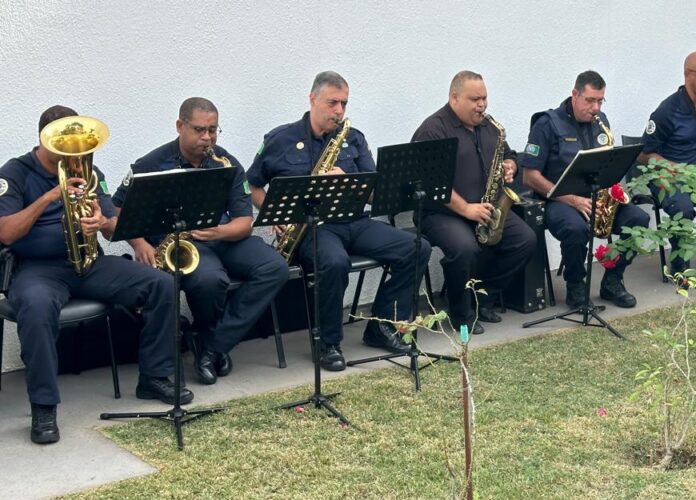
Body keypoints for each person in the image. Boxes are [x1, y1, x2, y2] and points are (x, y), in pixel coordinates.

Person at [0, 105, 185, 445]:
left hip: (89, 263)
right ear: (44, 141)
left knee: (161, 284)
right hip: (39, 269)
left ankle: (155, 376)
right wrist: (49, 197)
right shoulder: (15, 173)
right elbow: (7, 233)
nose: (74, 155)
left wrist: (102, 222)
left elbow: (116, 230)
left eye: (79, 146)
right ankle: (44, 406)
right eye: (64, 146)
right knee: (37, 309)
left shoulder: (89, 170)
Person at [248, 71, 431, 368]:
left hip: (354, 221)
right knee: (334, 262)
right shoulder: (280, 139)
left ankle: (382, 325)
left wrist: (350, 183)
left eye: (344, 104)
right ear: (312, 99)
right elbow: (252, 186)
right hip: (310, 227)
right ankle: (328, 343)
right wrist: (275, 214)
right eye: (333, 103)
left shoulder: (353, 138)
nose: (339, 111)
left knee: (418, 247)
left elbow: (375, 194)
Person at [113, 97, 289, 385]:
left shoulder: (226, 161)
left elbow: (245, 222)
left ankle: (212, 344)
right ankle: (213, 347)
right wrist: (138, 243)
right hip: (183, 245)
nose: (207, 138)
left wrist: (218, 232)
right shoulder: (151, 163)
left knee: (275, 268)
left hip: (223, 237)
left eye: (213, 130)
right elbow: (118, 211)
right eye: (199, 130)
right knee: (210, 280)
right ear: (180, 126)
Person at [410, 70, 535, 334]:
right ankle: (461, 312)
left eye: (484, 98)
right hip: (441, 213)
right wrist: (466, 209)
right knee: (466, 249)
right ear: (454, 98)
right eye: (475, 99)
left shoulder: (490, 126)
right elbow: (431, 180)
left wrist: (510, 165)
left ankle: (482, 296)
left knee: (525, 240)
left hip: (485, 207)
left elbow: (509, 154)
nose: (482, 105)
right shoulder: (433, 129)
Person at [521, 70, 650, 309]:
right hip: (556, 201)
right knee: (576, 229)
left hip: (595, 199)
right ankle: (576, 287)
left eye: (600, 100)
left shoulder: (601, 123)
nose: (595, 108)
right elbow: (529, 176)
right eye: (590, 100)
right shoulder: (546, 124)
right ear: (574, 95)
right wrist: (569, 198)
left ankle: (612, 280)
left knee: (639, 220)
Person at [638, 52, 696, 275]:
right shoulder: (667, 110)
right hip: (668, 177)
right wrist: (679, 170)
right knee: (683, 208)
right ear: (687, 74)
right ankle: (679, 264)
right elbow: (645, 154)